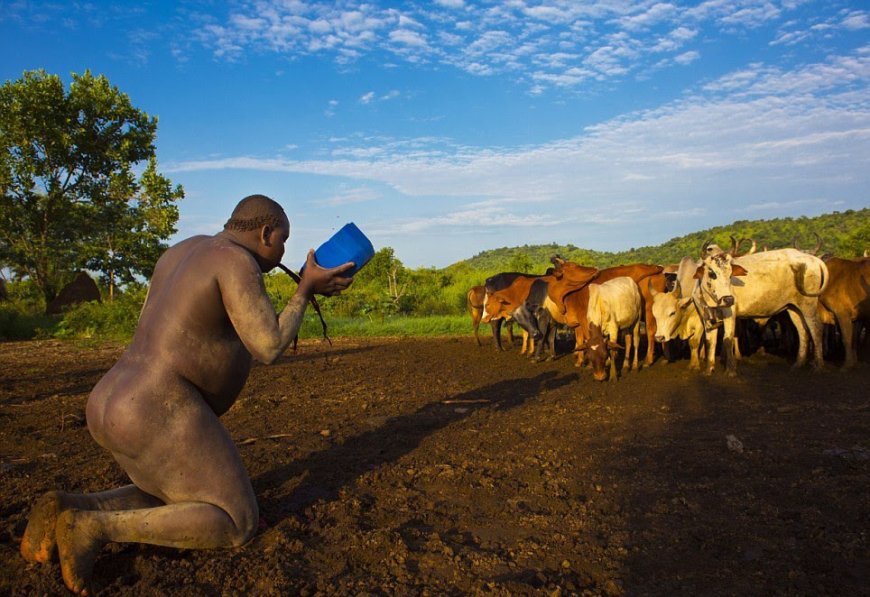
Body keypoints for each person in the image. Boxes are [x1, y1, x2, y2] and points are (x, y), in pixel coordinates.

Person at [19, 194, 354, 595]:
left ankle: (71, 506)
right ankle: (96, 527)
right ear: (265, 233)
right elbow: (268, 345)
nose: (282, 250)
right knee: (236, 520)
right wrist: (303, 293)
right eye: (282, 240)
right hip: (157, 405)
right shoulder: (235, 261)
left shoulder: (180, 252)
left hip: (111, 396)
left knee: (169, 493)